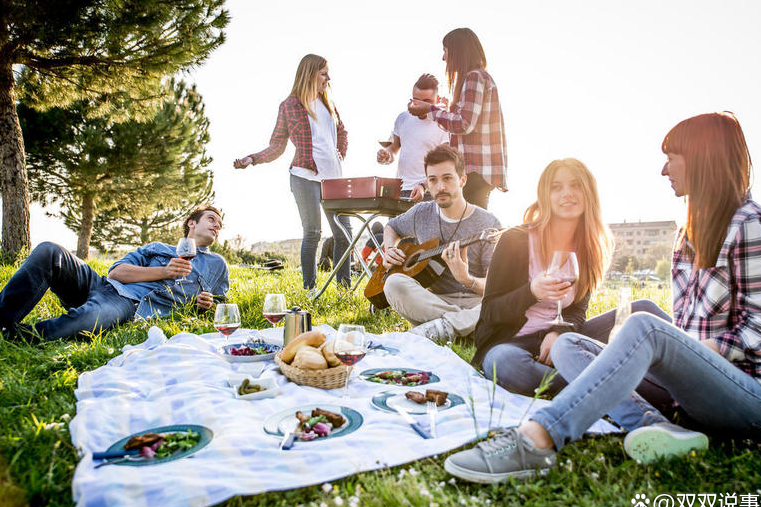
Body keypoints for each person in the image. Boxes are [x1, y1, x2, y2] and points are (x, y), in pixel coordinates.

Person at [444, 112, 761, 484]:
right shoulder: (691, 235)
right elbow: (493, 311)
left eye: (671, 157)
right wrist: (656, 357)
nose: (664, 170)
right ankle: (657, 427)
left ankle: (537, 438)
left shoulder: (753, 227)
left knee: (643, 325)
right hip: (689, 398)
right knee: (569, 348)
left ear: (701, 157)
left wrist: (680, 351)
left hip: (754, 403)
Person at [473, 159, 613, 396]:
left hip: (563, 344)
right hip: (511, 345)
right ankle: (613, 381)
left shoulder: (587, 247)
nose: (567, 194)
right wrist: (531, 292)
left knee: (644, 312)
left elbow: (577, 312)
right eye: (556, 187)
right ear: (545, 195)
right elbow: (489, 312)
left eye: (575, 185)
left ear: (588, 192)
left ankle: (591, 375)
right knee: (505, 365)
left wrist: (557, 333)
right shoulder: (515, 240)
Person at [0, 206, 229, 342]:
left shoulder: (217, 264)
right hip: (102, 286)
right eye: (211, 219)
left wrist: (205, 305)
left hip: (129, 304)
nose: (217, 226)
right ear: (192, 222)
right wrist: (163, 270)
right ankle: (3, 320)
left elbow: (222, 303)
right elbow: (116, 273)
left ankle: (16, 336)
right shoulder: (158, 248)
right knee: (50, 250)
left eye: (220, 225)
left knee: (88, 319)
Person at [233, 53, 351, 290]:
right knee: (313, 233)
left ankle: (344, 290)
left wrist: (339, 154)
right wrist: (252, 158)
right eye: (324, 73)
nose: (328, 78)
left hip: (334, 180)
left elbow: (343, 133)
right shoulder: (289, 106)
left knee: (344, 234)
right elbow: (278, 145)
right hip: (304, 177)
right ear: (310, 74)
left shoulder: (329, 103)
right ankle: (310, 290)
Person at [382, 144, 501, 343]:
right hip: (435, 301)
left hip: (476, 301)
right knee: (393, 284)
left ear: (462, 180)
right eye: (433, 180)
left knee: (500, 302)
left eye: (447, 178)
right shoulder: (421, 213)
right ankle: (465, 326)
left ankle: (443, 328)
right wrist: (390, 248)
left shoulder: (489, 224)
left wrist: (467, 279)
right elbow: (391, 227)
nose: (440, 187)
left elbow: (496, 287)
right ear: (427, 183)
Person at [407, 28, 507, 210]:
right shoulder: (478, 78)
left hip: (475, 169)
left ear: (458, 52)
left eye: (445, 51)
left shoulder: (474, 78)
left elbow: (464, 124)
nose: (443, 58)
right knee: (471, 227)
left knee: (472, 230)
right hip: (478, 171)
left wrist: (430, 109)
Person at [377, 74, 449, 201]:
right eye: (416, 100)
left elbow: (444, 166)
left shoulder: (443, 124)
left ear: (437, 100)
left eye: (426, 102)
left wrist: (423, 186)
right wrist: (386, 155)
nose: (420, 106)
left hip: (429, 194)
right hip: (401, 192)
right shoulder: (402, 118)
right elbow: (393, 150)